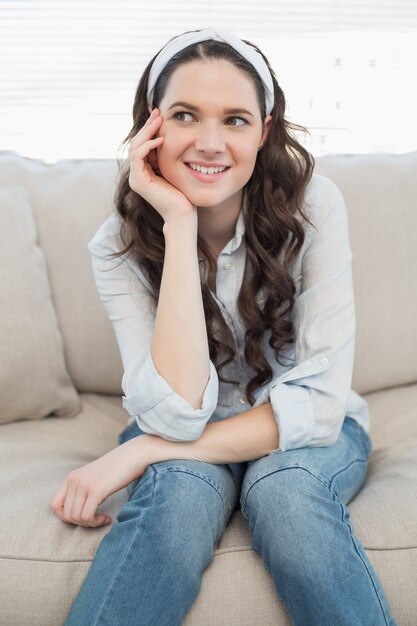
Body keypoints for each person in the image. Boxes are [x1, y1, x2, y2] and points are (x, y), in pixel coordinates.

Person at [50, 28, 397, 626]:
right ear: (150, 128)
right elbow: (177, 412)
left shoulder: (315, 207)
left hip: (304, 437)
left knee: (284, 489)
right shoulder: (117, 245)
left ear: (263, 132)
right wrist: (179, 226)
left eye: (235, 120)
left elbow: (316, 405)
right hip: (186, 428)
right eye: (186, 115)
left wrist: (143, 453)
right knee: (176, 498)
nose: (210, 143)